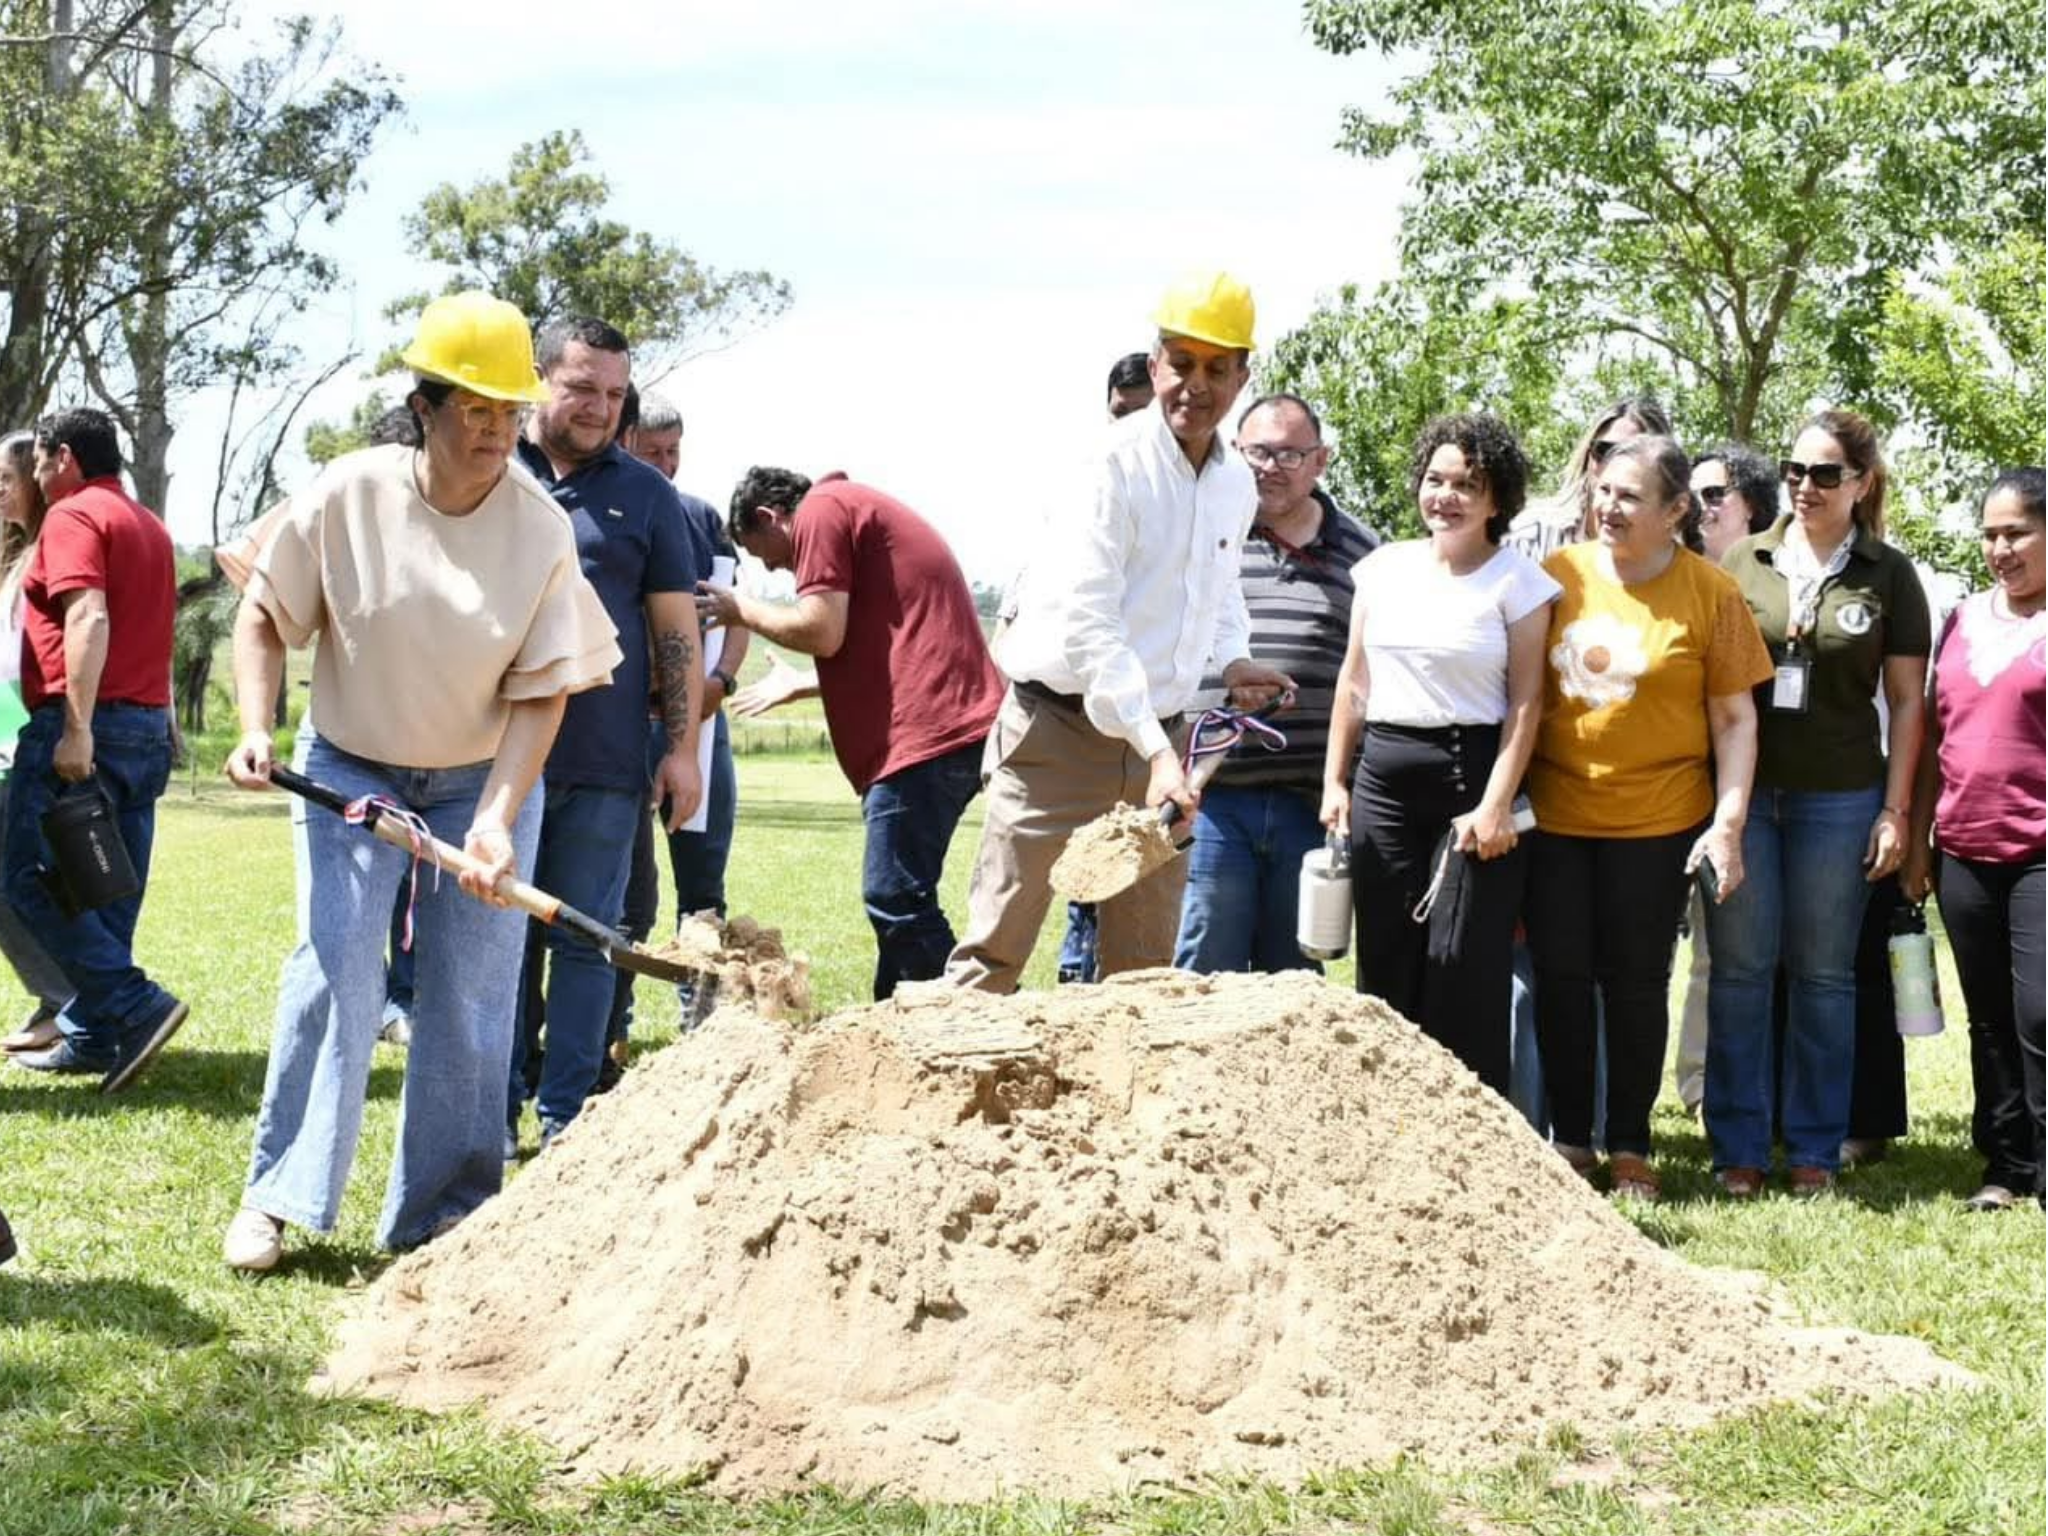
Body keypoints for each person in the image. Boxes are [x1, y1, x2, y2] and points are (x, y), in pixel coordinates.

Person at [222, 291, 619, 1270]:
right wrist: (255, 726)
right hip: (352, 763)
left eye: (507, 411)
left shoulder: (540, 528)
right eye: (474, 409)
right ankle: (277, 1199)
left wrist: (496, 820)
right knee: (337, 968)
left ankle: (445, 1213)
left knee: (474, 994)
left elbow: (543, 692)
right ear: (426, 407)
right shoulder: (347, 493)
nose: (494, 431)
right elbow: (263, 614)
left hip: (479, 778)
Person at [943, 273, 1294, 991]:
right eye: (1182, 364)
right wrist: (1160, 751)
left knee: (1145, 971)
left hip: (1157, 741)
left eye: (1216, 369)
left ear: (1242, 378)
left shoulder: (1234, 482)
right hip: (1056, 736)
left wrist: (1233, 661)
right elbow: (1091, 626)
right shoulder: (1107, 466)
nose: (1196, 386)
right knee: (992, 959)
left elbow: (1220, 584)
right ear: (1156, 363)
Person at [1526, 436, 1772, 1199]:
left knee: (1636, 986)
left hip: (1659, 823)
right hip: (1559, 818)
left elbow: (1735, 720)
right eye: (1604, 489)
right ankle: (1572, 1141)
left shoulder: (1711, 592)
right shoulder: (1555, 577)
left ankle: (1631, 1146)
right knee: (1562, 980)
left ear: (1675, 512)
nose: (1609, 506)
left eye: (1630, 496)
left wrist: (1728, 821)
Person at [1707, 409, 1929, 1197]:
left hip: (1841, 800)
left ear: (1862, 483)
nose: (1805, 486)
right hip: (1747, 797)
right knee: (1740, 972)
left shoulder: (1889, 573)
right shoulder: (1743, 559)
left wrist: (1896, 811)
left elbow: (1908, 702)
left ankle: (1813, 1151)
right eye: (1795, 471)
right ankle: (1737, 1149)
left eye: (1825, 474)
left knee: (1824, 977)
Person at [506, 319, 709, 1150]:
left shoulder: (647, 495)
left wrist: (683, 750)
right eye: (582, 388)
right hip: (486, 760)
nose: (600, 407)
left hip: (603, 761)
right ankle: (491, 1113)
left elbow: (675, 631)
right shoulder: (489, 465)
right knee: (498, 944)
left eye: (616, 394)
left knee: (588, 938)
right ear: (538, 379)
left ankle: (565, 1122)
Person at [698, 467, 1004, 998]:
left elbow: (821, 629)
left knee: (895, 897)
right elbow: (887, 647)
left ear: (770, 517)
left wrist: (739, 609)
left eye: (762, 551)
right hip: (945, 729)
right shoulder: (853, 510)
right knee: (899, 907)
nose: (773, 567)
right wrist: (804, 685)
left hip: (922, 739)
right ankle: (890, 1026)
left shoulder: (820, 510)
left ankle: (979, 1012)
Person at [1322, 414, 1553, 1088]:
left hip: (1474, 779)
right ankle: (1390, 1115)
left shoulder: (1520, 582)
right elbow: (1354, 684)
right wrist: (1335, 782)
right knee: (1386, 958)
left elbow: (1527, 703)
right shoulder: (1381, 569)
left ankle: (1472, 1123)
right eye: (1435, 479)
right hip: (1382, 781)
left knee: (1462, 963)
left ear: (1496, 499)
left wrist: (1497, 804)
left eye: (1466, 485)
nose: (1446, 496)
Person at [5, 408, 183, 1093]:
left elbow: (87, 613)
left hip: (86, 722)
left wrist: (76, 728)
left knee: (22, 876)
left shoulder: (74, 516)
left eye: (40, 462)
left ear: (65, 459)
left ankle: (135, 1005)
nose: (37, 475)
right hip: (144, 727)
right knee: (107, 890)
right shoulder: (149, 525)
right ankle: (96, 1035)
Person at [1175, 394, 1378, 975]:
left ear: (1321, 460)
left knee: (1293, 978)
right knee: (1202, 970)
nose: (1271, 467)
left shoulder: (1364, 554)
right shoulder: (1203, 533)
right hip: (1210, 799)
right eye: (1257, 452)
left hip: (1308, 806)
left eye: (1290, 454)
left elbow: (1373, 674)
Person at [1904, 467, 2045, 1211]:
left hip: (2040, 853)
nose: (2000, 549)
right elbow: (1933, 736)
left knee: (2040, 1012)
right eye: (1990, 534)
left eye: (2017, 532)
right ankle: (2006, 1166)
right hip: (1962, 848)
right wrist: (1919, 837)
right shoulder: (1959, 620)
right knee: (1987, 1018)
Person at [1671, 442, 1782, 1110]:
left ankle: (1708, 1087)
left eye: (1717, 494)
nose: (1702, 507)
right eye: (1694, 495)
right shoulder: (1667, 576)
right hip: (1665, 789)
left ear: (1755, 508)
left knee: (1725, 952)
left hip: (1741, 799)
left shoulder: (1769, 588)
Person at [1044, 351, 1155, 987]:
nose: (1131, 427)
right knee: (1077, 878)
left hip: (1151, 733)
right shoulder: (1087, 490)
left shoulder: (1201, 498)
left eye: (1144, 413)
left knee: (1134, 904)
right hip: (1073, 720)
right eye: (1121, 412)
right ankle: (1073, 983)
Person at [0, 433, 76, 1057]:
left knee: (20, 876)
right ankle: (61, 997)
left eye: (5, 478)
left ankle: (69, 999)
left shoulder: (54, 548)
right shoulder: (18, 555)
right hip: (9, 733)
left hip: (30, 735)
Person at [1505, 395, 1674, 564]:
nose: (1615, 467)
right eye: (1605, 450)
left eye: (1632, 457)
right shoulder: (1532, 536)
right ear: (1587, 455)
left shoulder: (1673, 558)